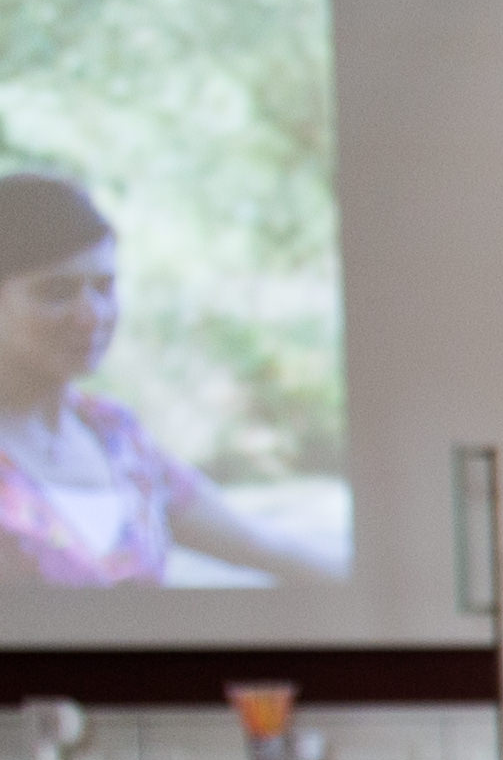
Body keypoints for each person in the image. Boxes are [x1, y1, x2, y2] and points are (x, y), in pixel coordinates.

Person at [0, 174, 332, 588]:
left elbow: (264, 546)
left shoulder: (115, 435)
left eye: (104, 287)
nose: (92, 316)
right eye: (56, 292)